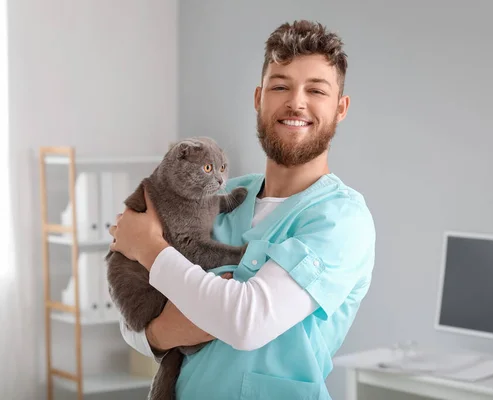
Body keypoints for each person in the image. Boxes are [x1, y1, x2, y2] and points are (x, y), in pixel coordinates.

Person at [110, 20, 376, 400]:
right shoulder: (219, 196)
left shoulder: (341, 220)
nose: (296, 102)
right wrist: (165, 331)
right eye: (280, 86)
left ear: (341, 108)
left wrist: (149, 247)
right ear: (258, 98)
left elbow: (246, 322)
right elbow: (131, 321)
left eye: (316, 90)